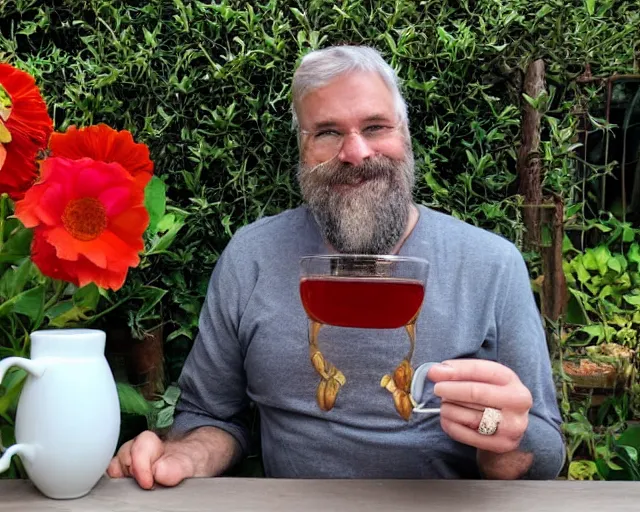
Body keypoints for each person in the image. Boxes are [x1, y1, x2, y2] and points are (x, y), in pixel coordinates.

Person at [107, 45, 565, 488]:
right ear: (302, 150)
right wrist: (186, 455)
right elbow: (209, 416)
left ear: (404, 135)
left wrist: (503, 438)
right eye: (326, 132)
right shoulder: (252, 257)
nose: (356, 152)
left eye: (376, 126)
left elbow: (544, 450)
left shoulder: (490, 264)